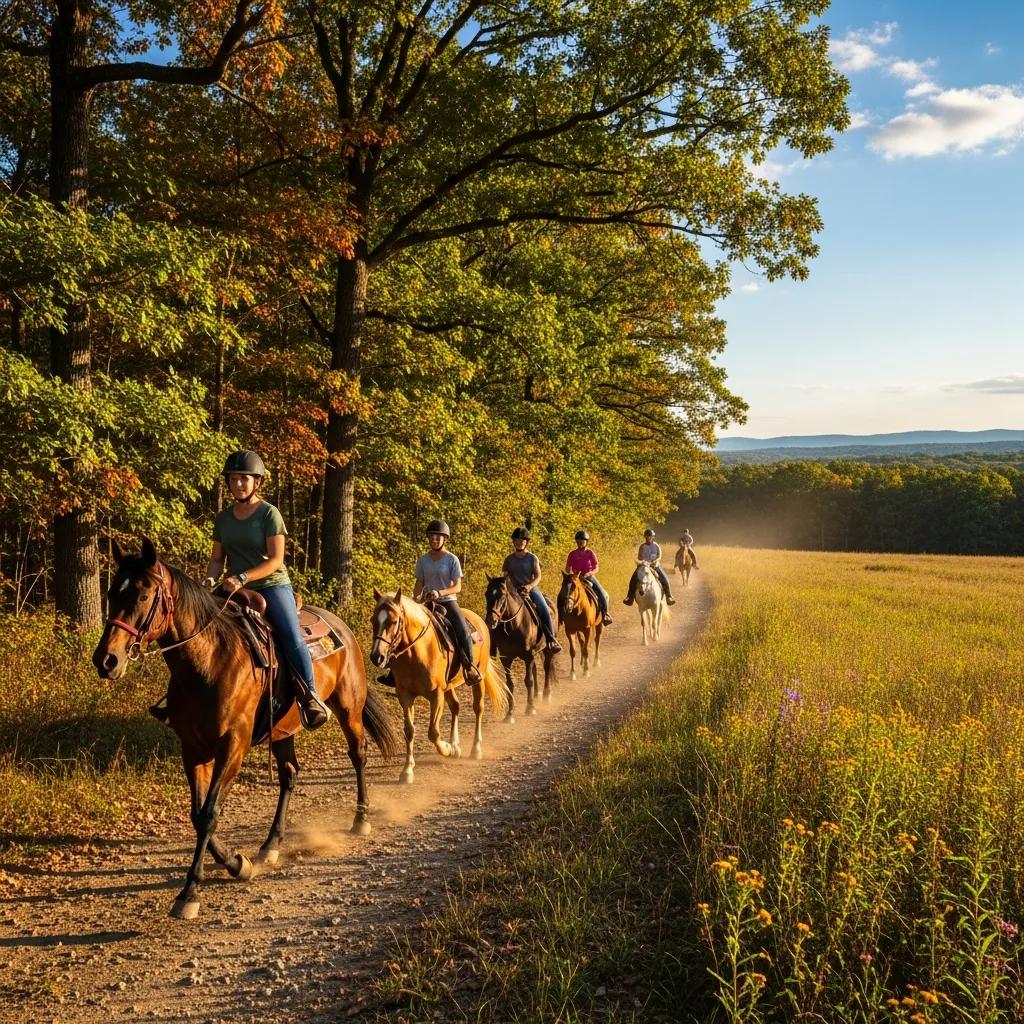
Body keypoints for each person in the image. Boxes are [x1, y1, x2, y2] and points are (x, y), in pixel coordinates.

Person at [209, 450, 330, 729]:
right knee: (198, 628)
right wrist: (208, 582)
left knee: (289, 635)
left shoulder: (269, 514)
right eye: (234, 479)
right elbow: (217, 559)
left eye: (244, 479)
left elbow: (276, 560)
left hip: (272, 586)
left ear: (257, 483)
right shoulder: (223, 518)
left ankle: (309, 696)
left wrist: (241, 576)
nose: (238, 484)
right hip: (233, 588)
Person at [412, 520, 482, 684]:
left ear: (445, 539)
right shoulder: (423, 560)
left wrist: (439, 592)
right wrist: (415, 599)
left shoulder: (452, 559)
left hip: (448, 602)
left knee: (462, 630)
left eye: (438, 537)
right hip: (428, 603)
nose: (434, 539)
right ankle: (396, 672)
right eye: (432, 537)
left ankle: (470, 667)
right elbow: (419, 583)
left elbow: (457, 586)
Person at [503, 527, 562, 652]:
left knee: (543, 607)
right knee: (497, 609)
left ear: (526, 542)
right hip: (513, 591)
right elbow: (505, 577)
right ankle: (494, 644)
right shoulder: (509, 559)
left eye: (522, 540)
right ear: (513, 542)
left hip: (530, 589)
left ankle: (551, 639)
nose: (519, 542)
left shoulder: (532, 558)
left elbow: (538, 576)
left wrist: (529, 587)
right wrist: (508, 587)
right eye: (517, 540)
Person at [564, 530, 612, 625]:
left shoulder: (590, 552)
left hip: (589, 577)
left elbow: (596, 567)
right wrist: (570, 573)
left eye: (582, 541)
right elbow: (567, 567)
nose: (580, 543)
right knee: (564, 593)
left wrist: (589, 573)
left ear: (586, 542)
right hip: (576, 577)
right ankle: (561, 615)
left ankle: (605, 613)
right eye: (578, 541)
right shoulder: (572, 554)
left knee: (603, 594)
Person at [623, 528, 676, 606]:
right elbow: (640, 557)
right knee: (633, 579)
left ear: (653, 537)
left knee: (665, 579)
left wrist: (655, 561)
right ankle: (629, 598)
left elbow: (659, 556)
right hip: (644, 566)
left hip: (655, 566)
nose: (649, 538)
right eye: (647, 536)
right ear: (645, 537)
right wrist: (642, 562)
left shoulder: (656, 546)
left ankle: (669, 596)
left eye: (650, 536)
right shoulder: (642, 546)